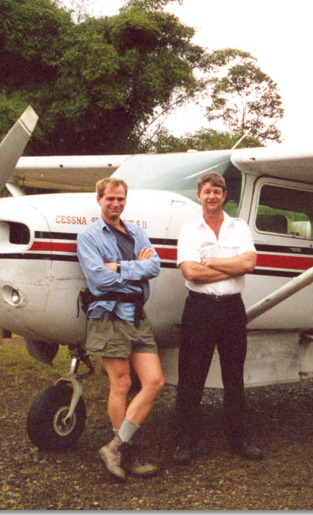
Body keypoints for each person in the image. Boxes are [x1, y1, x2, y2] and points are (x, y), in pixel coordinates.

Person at [76, 177, 165, 482]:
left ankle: (116, 446)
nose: (115, 204)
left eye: (120, 199)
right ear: (98, 199)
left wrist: (119, 266)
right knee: (122, 383)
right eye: (110, 199)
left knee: (154, 381)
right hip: (109, 315)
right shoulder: (88, 236)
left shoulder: (137, 232)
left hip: (137, 316)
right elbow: (98, 280)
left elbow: (155, 266)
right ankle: (127, 453)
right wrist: (133, 269)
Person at [172, 172, 262, 464]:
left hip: (232, 309)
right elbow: (190, 272)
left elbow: (249, 263)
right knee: (191, 377)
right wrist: (231, 267)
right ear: (199, 195)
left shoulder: (240, 227)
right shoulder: (189, 230)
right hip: (199, 309)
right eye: (207, 191)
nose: (212, 196)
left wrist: (210, 261)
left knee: (234, 377)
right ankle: (185, 442)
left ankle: (240, 439)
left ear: (225, 196)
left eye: (218, 191)